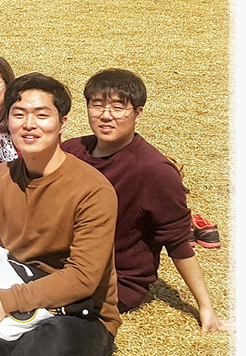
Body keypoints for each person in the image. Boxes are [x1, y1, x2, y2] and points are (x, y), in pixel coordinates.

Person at [0, 73, 120, 356]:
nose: (29, 124)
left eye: (42, 115)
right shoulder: (1, 178)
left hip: (76, 310)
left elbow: (83, 278)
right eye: (19, 114)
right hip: (15, 282)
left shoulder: (93, 190)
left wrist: (2, 303)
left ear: (62, 123)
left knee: (57, 348)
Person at [62, 68, 230, 332]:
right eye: (97, 105)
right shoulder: (71, 151)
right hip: (63, 261)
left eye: (119, 107)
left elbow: (177, 241)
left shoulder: (154, 170)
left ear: (138, 113)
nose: (106, 115)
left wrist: (206, 308)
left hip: (115, 280)